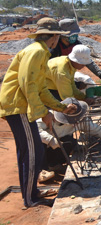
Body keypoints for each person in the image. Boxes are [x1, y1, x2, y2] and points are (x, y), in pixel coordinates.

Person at [0, 17, 77, 208]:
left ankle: (32, 192)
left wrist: (60, 107)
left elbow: (41, 88)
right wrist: (43, 112)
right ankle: (31, 199)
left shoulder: (41, 52)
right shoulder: (37, 52)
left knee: (29, 150)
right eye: (58, 38)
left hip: (20, 105)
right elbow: (29, 86)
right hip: (17, 106)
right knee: (32, 151)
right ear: (53, 38)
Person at [37, 97, 101, 181]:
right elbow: (36, 130)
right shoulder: (48, 116)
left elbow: (98, 130)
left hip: (59, 143)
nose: (74, 123)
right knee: (39, 147)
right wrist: (51, 140)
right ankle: (40, 170)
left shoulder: (80, 120)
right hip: (42, 144)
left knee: (70, 142)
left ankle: (54, 164)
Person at [51, 18, 101, 83]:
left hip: (69, 73)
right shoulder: (54, 48)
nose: (74, 37)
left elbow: (88, 62)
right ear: (62, 34)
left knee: (87, 81)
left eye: (76, 34)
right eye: (71, 35)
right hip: (55, 76)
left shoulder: (77, 44)